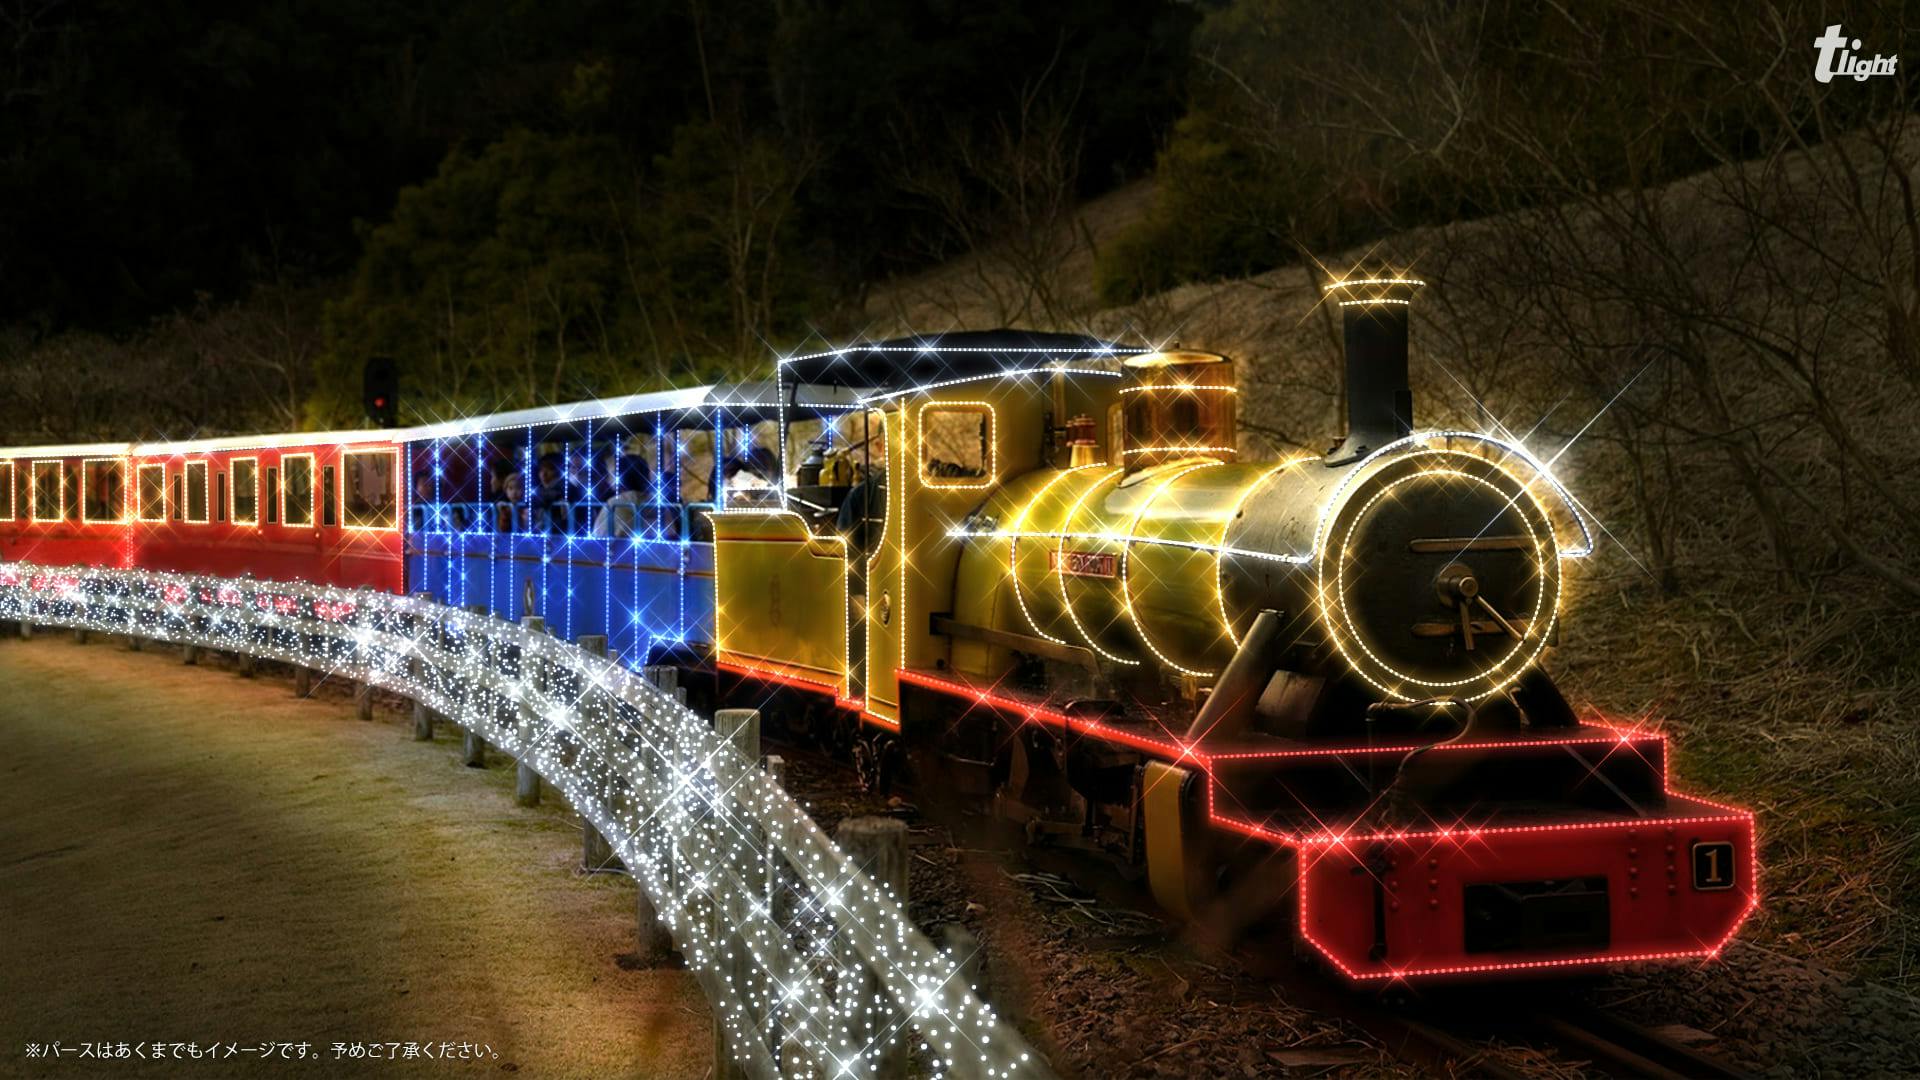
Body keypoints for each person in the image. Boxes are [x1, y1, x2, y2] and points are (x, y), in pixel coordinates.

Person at [592, 455, 653, 538]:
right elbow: (671, 534)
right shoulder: (660, 506)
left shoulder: (612, 505)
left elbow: (598, 540)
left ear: (620, 478)